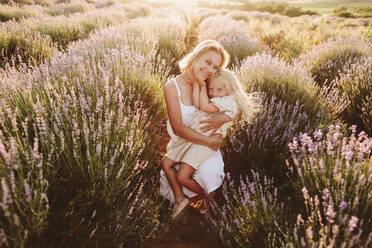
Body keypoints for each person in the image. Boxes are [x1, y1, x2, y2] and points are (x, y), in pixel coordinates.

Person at [163, 68, 261, 216]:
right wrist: (198, 85)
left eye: (219, 89)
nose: (214, 93)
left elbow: (204, 106)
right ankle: (180, 198)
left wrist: (202, 87)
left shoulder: (229, 101)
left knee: (182, 176)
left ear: (229, 89)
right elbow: (198, 102)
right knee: (165, 162)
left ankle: (205, 196)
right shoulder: (217, 99)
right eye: (211, 89)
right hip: (193, 138)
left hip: (204, 144)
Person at [159, 39, 231, 219]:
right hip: (185, 144)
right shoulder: (171, 87)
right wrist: (210, 140)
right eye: (207, 62)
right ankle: (180, 199)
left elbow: (236, 103)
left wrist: (223, 117)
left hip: (205, 148)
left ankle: (202, 201)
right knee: (175, 172)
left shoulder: (211, 85)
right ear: (196, 56)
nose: (210, 70)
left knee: (208, 174)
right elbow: (178, 128)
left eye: (215, 67)